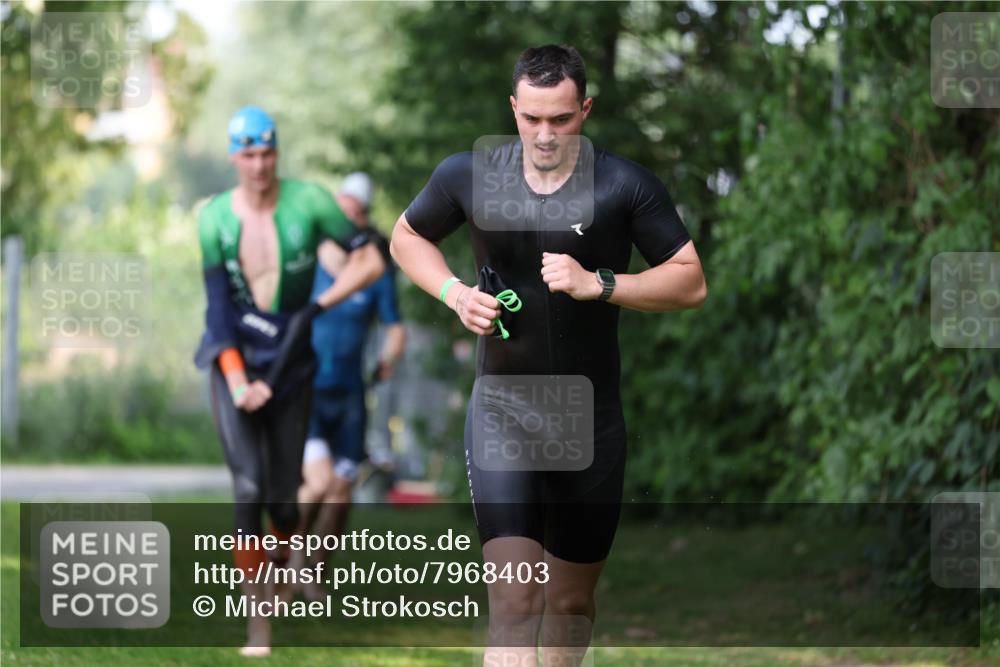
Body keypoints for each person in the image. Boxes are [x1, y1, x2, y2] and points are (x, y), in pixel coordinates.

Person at [389, 45, 707, 666]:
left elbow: (690, 281)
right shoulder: (469, 175)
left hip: (590, 421)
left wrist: (601, 283)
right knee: (514, 601)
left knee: (568, 603)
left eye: (560, 119)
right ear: (513, 108)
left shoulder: (623, 185)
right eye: (531, 118)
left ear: (585, 110)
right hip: (503, 410)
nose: (543, 135)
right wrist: (455, 294)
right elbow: (407, 236)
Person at [194, 106, 384, 656]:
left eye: (267, 154)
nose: (259, 165)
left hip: (293, 368)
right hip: (235, 364)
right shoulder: (213, 218)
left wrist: (316, 307)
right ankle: (259, 625)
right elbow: (218, 315)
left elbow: (371, 262)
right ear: (234, 157)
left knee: (282, 503)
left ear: (277, 154)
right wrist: (238, 382)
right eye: (249, 155)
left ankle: (279, 570)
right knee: (247, 488)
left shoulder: (311, 202)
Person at [294, 172, 407, 600]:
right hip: (306, 392)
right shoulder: (304, 265)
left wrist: (386, 361)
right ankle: (290, 559)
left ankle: (315, 571)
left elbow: (396, 329)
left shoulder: (374, 272)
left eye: (353, 215)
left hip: (350, 396)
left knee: (341, 491)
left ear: (363, 220)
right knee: (317, 483)